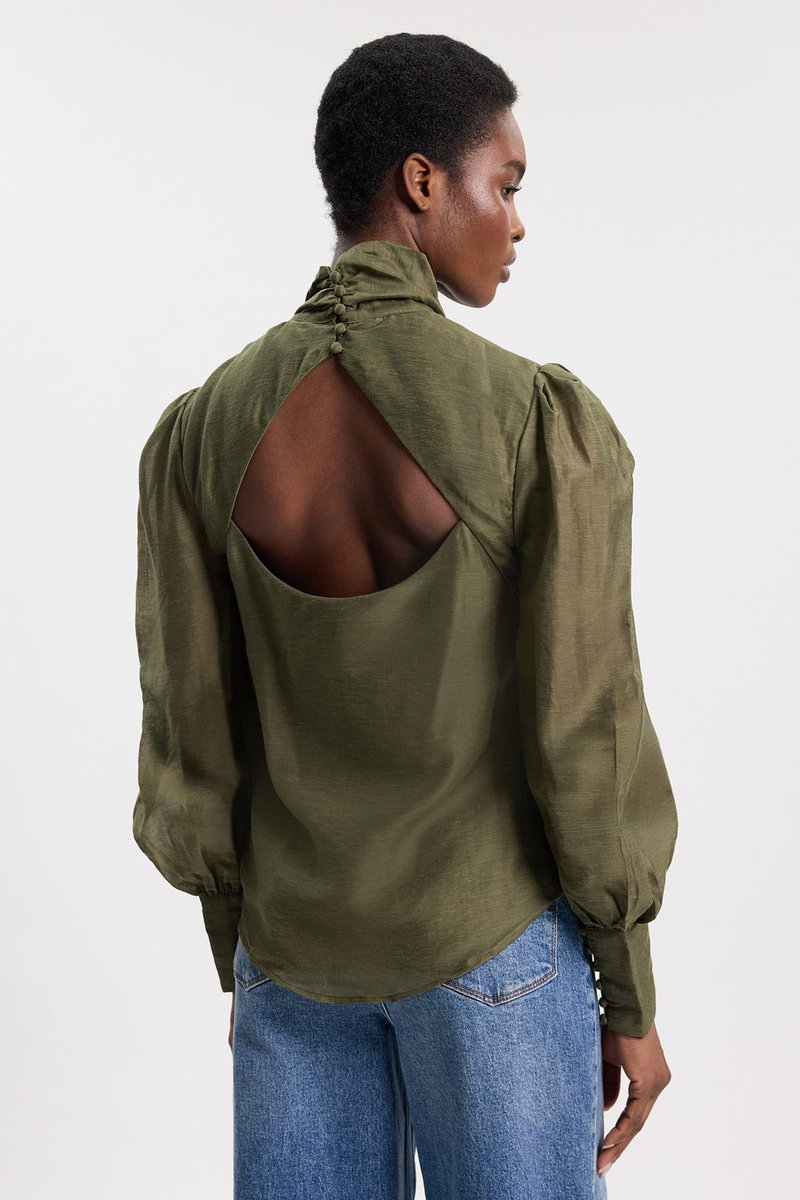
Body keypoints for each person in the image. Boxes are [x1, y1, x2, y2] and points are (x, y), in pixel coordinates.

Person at [133, 32, 678, 1200]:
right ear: (421, 182)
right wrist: (625, 993)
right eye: (506, 184)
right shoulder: (527, 420)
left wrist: (239, 953)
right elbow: (584, 730)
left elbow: (191, 734)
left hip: (289, 962)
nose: (517, 223)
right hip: (491, 951)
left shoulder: (204, 430)